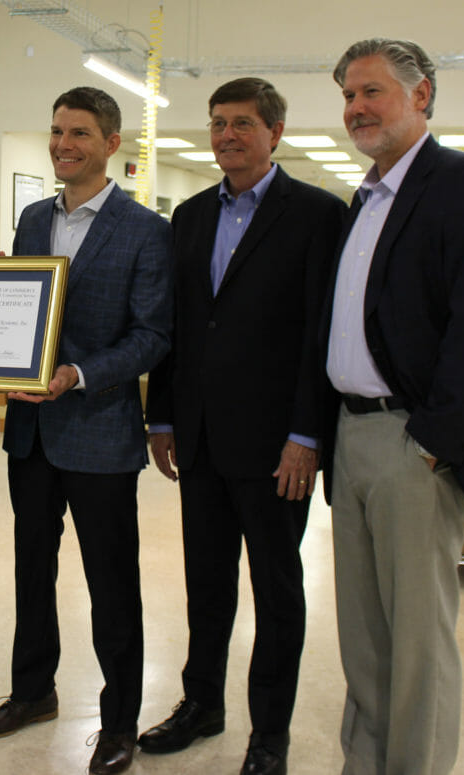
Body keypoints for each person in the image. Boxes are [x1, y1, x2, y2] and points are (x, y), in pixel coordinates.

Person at [322, 39, 464, 774]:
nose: (356, 108)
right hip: (351, 437)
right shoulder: (365, 197)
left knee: (418, 638)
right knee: (365, 634)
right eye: (348, 95)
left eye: (372, 91)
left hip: (412, 441)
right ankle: (367, 762)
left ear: (422, 95)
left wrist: (434, 440)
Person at [140, 78, 346, 775]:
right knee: (207, 585)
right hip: (197, 438)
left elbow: (320, 332)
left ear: (275, 132)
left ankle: (269, 735)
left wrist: (307, 434)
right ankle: (203, 704)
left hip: (275, 446)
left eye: (244, 123)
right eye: (218, 122)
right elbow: (179, 325)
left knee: (278, 592)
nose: (227, 134)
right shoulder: (191, 215)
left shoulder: (317, 214)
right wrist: (161, 413)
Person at [0, 86, 173, 775]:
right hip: (30, 432)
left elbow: (151, 336)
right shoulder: (31, 220)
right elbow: (20, 311)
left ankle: (119, 721)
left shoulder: (145, 230)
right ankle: (33, 690)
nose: (63, 144)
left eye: (79, 134)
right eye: (57, 131)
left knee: (111, 581)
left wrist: (77, 374)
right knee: (31, 569)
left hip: (98, 430)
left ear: (112, 143)